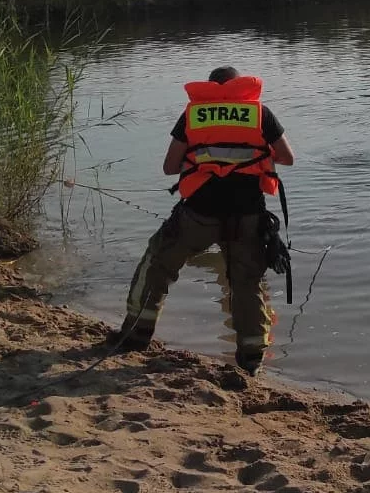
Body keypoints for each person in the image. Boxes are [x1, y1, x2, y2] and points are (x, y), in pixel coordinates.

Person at [117, 66, 295, 374]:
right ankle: (251, 358)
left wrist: (203, 157)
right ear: (239, 85)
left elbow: (170, 167)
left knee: (158, 262)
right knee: (246, 283)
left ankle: (137, 334)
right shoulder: (260, 113)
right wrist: (256, 155)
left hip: (199, 213)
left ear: (211, 86)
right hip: (248, 216)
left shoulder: (194, 114)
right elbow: (287, 157)